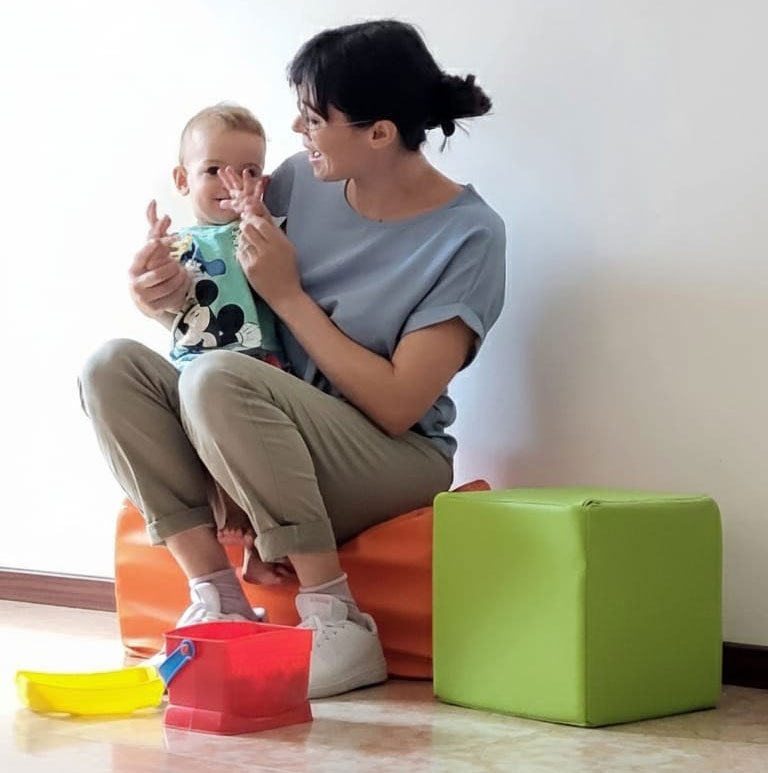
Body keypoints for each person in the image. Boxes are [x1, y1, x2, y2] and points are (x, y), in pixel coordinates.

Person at [79, 19, 506, 700]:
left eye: (313, 117)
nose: (296, 131)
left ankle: (338, 622)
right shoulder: (298, 182)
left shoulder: (467, 235)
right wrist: (159, 297)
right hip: (256, 423)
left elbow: (399, 405)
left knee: (219, 380)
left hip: (389, 456)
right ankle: (218, 600)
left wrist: (290, 295)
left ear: (379, 133)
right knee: (110, 367)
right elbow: (234, 313)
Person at [150, 103, 283, 371]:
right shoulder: (177, 244)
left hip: (259, 365)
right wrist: (156, 268)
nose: (231, 182)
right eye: (213, 171)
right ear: (183, 180)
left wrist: (257, 216)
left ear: (263, 184)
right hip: (192, 365)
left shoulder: (260, 231)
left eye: (249, 172)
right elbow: (173, 304)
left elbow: (282, 269)